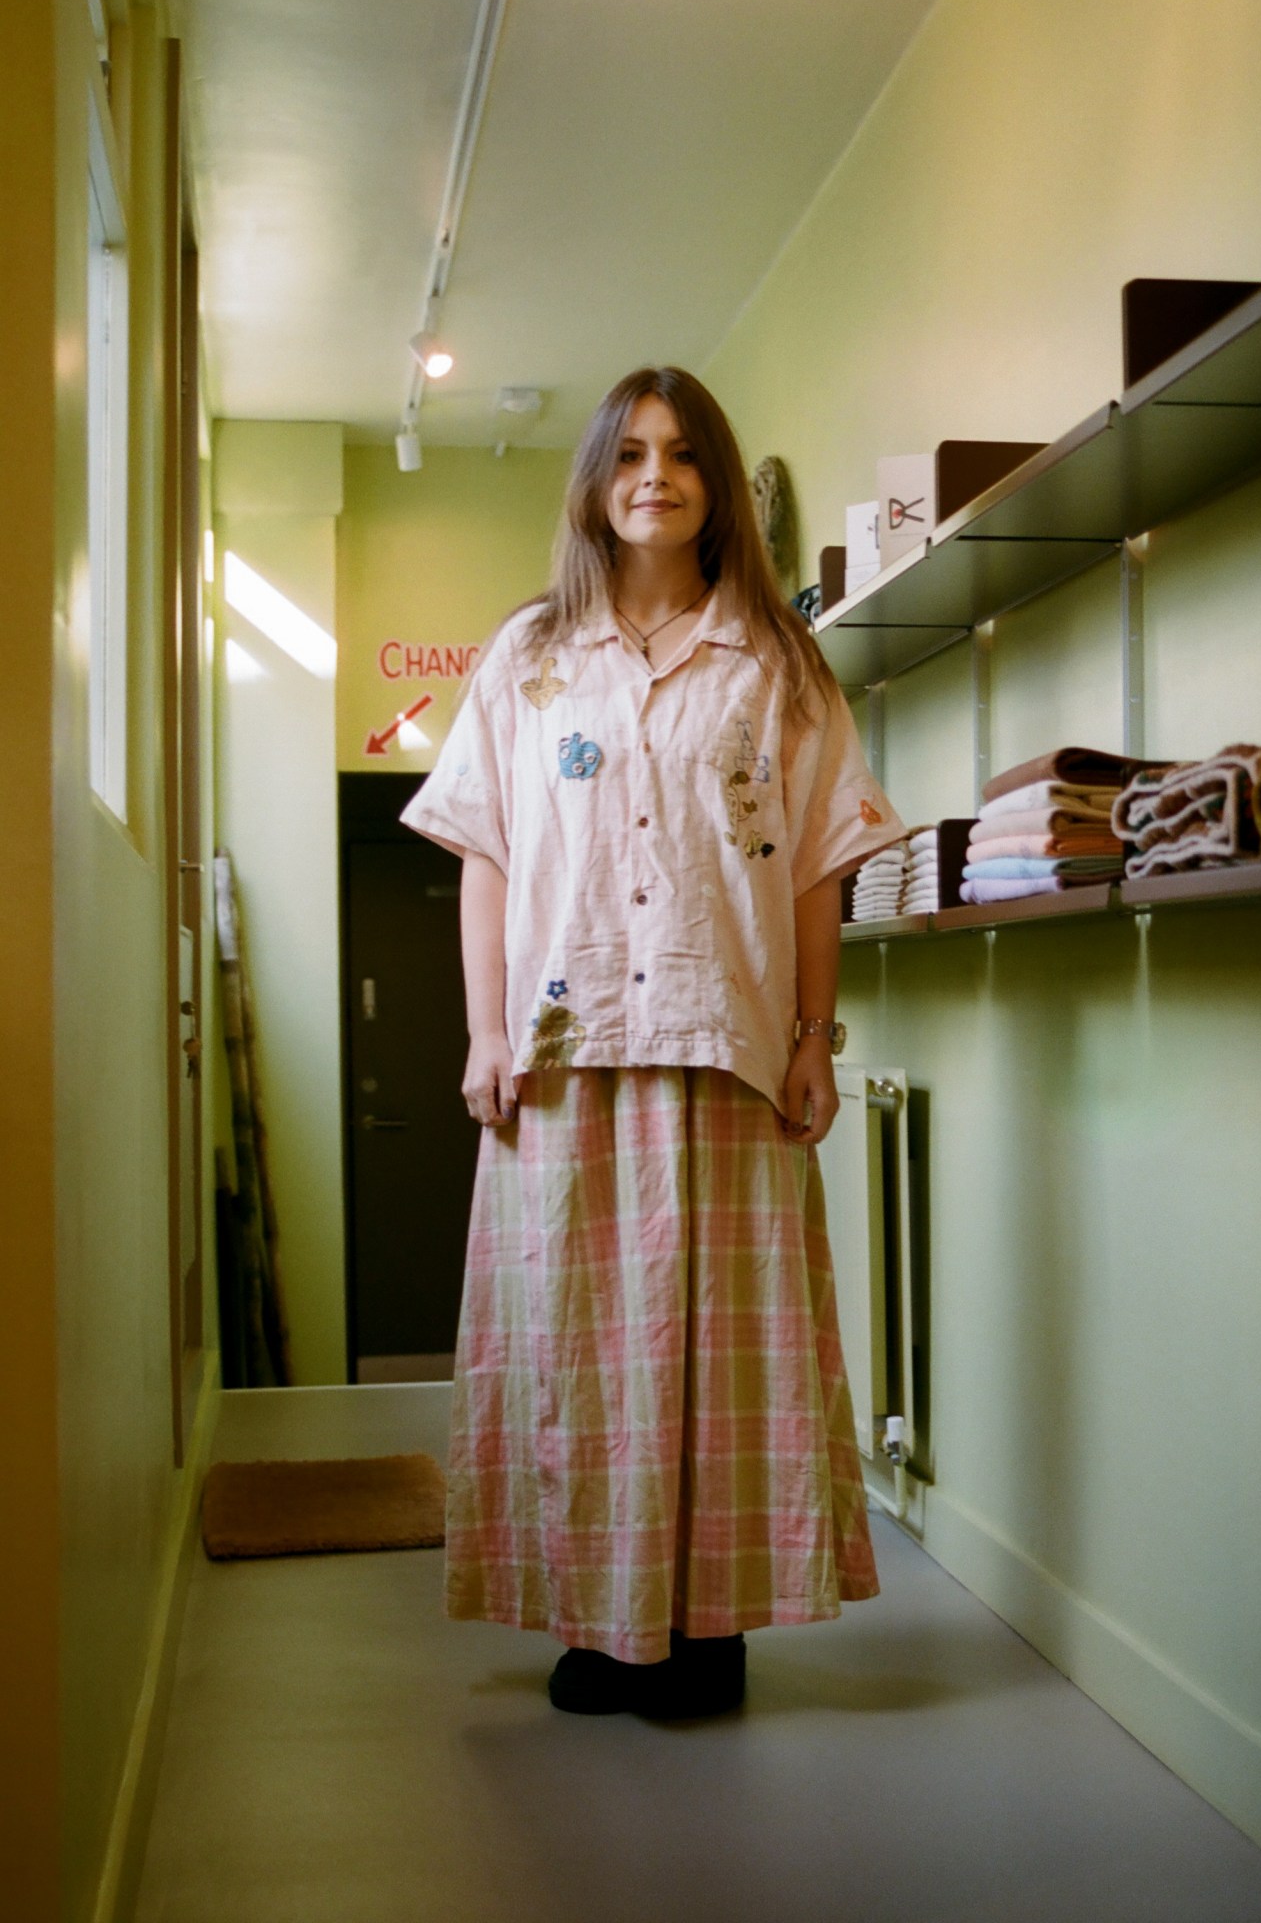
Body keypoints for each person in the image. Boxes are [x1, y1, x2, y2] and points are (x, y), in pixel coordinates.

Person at [402, 365, 905, 1718]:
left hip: (723, 1042)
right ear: (594, 479)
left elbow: (814, 869)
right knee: (571, 1347)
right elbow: (487, 856)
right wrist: (481, 1033)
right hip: (563, 1050)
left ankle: (706, 1631)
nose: (653, 475)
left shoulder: (779, 664)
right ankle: (590, 1622)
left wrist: (814, 1037)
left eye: (683, 454)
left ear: (717, 484)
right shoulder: (527, 658)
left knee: (723, 1358)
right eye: (627, 452)